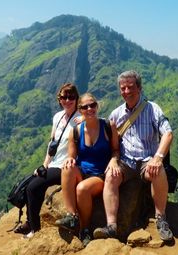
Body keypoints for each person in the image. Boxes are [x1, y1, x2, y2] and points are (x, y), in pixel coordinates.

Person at [93, 70, 174, 241]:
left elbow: (167, 134)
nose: (126, 92)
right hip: (126, 162)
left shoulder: (153, 109)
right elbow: (111, 144)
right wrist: (114, 161)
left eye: (130, 87)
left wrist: (158, 158)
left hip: (147, 160)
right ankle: (111, 226)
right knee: (110, 177)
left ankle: (161, 219)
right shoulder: (116, 115)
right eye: (123, 88)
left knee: (158, 171)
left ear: (139, 88)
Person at [14, 83, 81, 239]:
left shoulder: (80, 118)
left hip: (67, 166)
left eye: (71, 97)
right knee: (26, 185)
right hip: (53, 163)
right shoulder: (57, 117)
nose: (68, 100)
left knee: (33, 187)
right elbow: (52, 144)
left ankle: (33, 227)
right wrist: (44, 165)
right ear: (59, 99)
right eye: (64, 97)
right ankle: (30, 222)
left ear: (77, 99)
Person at [55, 93, 120, 246]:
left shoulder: (108, 126)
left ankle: (85, 228)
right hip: (82, 172)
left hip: (100, 175)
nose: (90, 109)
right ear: (80, 110)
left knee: (82, 189)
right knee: (67, 168)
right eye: (85, 107)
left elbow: (116, 150)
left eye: (92, 105)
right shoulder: (76, 131)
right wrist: (70, 159)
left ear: (97, 106)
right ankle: (72, 216)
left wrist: (114, 160)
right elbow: (72, 156)